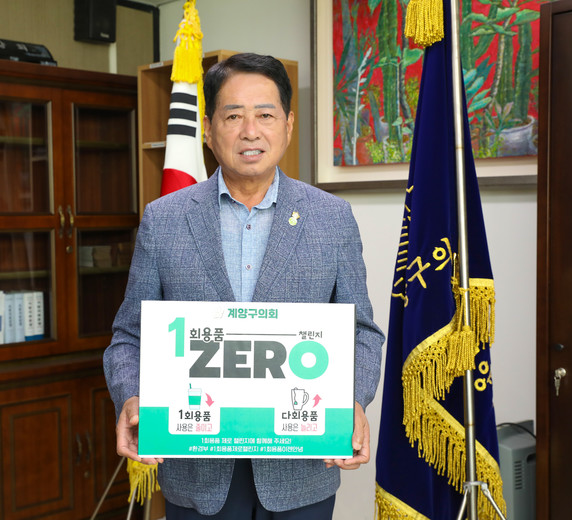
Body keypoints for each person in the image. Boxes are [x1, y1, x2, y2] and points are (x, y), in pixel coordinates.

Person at [103, 53, 384, 519]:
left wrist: (352, 399)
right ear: (208, 129)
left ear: (288, 125)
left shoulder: (331, 218)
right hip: (196, 471)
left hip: (302, 470)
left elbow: (362, 332)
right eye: (233, 116)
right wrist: (131, 397)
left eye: (265, 115)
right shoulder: (164, 219)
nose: (250, 131)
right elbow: (129, 336)